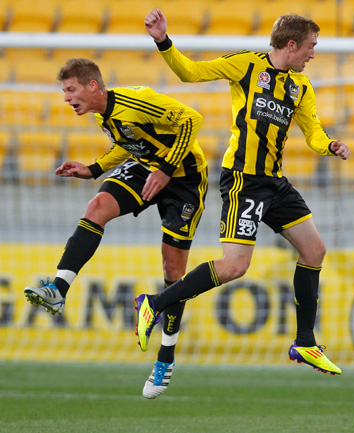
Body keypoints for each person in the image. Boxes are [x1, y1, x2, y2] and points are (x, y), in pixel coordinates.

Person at [134, 9, 351, 375]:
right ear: (292, 44)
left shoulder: (301, 87)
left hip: (275, 183)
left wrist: (330, 145)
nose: (313, 54)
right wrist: (163, 41)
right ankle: (153, 303)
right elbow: (191, 72)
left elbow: (313, 133)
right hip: (243, 180)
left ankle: (305, 343)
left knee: (315, 250)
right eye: (311, 47)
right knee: (235, 266)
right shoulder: (247, 66)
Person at [24, 58, 208, 398]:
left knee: (173, 272)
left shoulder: (135, 101)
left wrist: (166, 170)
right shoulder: (100, 114)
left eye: (71, 90)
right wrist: (94, 169)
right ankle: (58, 290)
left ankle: (165, 357)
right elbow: (127, 143)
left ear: (92, 86)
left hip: (184, 179)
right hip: (145, 169)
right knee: (96, 207)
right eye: (65, 92)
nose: (66, 98)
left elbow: (191, 119)